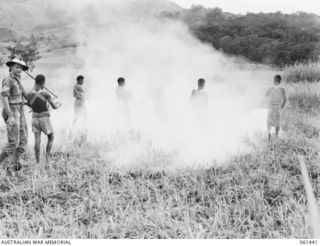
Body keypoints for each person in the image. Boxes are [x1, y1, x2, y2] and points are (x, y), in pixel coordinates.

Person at [0, 58, 30, 173]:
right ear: (11, 67)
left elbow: (26, 95)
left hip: (20, 109)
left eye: (21, 68)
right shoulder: (8, 80)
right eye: (17, 67)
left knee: (24, 140)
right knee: (13, 142)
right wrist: (10, 115)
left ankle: (14, 164)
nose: (19, 70)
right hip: (12, 111)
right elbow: (4, 97)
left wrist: (40, 101)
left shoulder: (18, 80)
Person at [28, 74, 61, 163]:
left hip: (34, 118)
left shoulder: (30, 94)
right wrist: (58, 104)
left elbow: (30, 104)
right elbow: (54, 107)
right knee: (51, 137)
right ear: (43, 82)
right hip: (44, 119)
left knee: (37, 140)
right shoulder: (46, 93)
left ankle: (38, 161)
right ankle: (47, 159)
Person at [265, 74, 287, 141]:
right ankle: (276, 135)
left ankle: (269, 134)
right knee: (278, 122)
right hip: (278, 108)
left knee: (269, 122)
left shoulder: (270, 88)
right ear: (280, 81)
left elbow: (266, 96)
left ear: (274, 80)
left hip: (271, 107)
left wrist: (267, 104)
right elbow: (285, 100)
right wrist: (282, 107)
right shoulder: (282, 89)